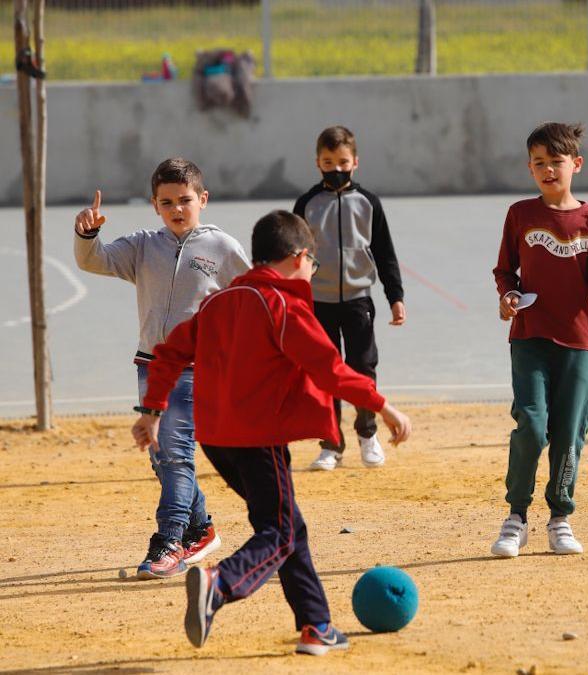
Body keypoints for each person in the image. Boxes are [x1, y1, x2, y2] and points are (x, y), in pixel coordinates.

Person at [132, 210, 413, 655]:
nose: (311, 273)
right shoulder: (282, 305)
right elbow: (330, 369)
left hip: (217, 438)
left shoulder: (217, 301)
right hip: (257, 438)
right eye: (312, 264)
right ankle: (218, 584)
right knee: (279, 533)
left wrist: (151, 409)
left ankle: (316, 625)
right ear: (299, 257)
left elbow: (167, 354)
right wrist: (383, 406)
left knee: (286, 527)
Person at [74, 157, 249, 579]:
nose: (176, 209)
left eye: (185, 200)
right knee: (161, 456)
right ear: (154, 204)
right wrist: (87, 233)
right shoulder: (141, 246)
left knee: (175, 454)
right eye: (167, 201)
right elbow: (93, 260)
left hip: (195, 368)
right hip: (149, 366)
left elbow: (249, 295)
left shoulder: (222, 247)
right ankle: (201, 528)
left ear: (202, 200)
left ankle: (169, 539)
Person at [489, 122, 588, 558]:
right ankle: (516, 517)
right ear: (529, 168)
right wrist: (508, 296)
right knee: (532, 425)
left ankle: (560, 517)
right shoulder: (520, 214)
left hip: (579, 343)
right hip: (530, 337)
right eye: (538, 163)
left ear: (575, 164)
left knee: (569, 433)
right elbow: (506, 271)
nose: (547, 169)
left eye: (555, 162)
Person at [293, 125, 406, 470]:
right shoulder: (306, 203)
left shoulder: (368, 203)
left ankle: (367, 434)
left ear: (355, 162)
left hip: (358, 300)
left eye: (343, 161)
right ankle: (331, 444)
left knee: (362, 368)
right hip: (318, 303)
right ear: (318, 162)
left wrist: (395, 296)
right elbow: (294, 254)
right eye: (328, 161)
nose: (336, 168)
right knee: (324, 373)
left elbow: (384, 252)